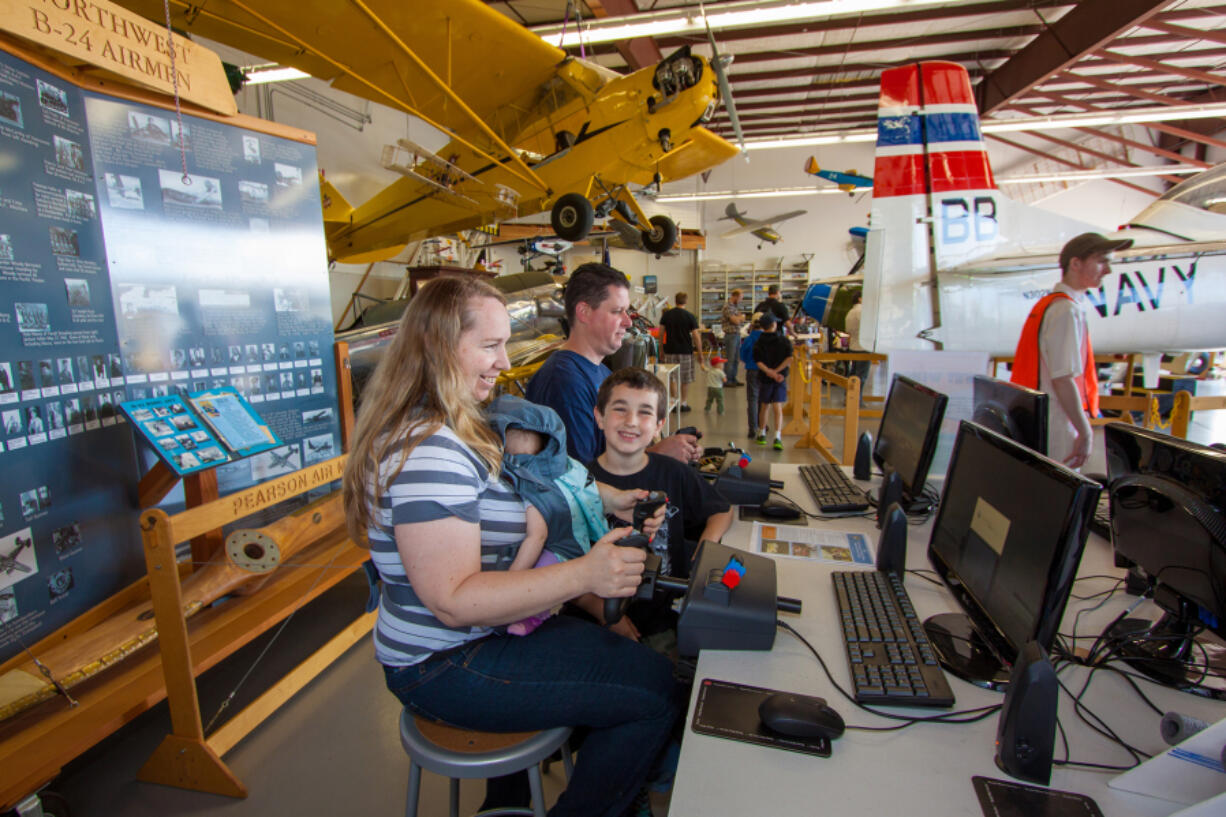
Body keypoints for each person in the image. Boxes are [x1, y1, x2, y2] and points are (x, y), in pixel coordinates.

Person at [342, 276, 678, 817]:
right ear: (439, 346)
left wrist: (610, 498)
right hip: (445, 662)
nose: (503, 362)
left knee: (629, 662)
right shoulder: (429, 451)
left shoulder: (457, 423)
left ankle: (516, 797)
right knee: (654, 693)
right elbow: (453, 600)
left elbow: (529, 480)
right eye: (490, 346)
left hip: (480, 637)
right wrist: (585, 576)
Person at [586, 367, 733, 641]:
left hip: (664, 619)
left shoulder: (674, 472)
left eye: (644, 412)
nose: (631, 421)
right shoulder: (579, 481)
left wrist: (705, 548)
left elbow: (721, 510)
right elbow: (560, 560)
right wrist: (602, 612)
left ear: (658, 425)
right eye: (620, 409)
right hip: (595, 623)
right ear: (599, 417)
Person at [526, 262, 700, 464]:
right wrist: (656, 455)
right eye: (617, 311)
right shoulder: (564, 383)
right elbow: (582, 481)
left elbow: (612, 452)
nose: (628, 322)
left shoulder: (601, 372)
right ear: (584, 312)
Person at [486, 395, 611, 636]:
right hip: (567, 539)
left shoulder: (532, 488)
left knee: (543, 570)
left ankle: (534, 616)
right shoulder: (565, 468)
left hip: (562, 547)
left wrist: (513, 581)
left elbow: (537, 536)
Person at [1010, 232, 1131, 469]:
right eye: (1102, 261)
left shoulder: (1051, 305)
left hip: (1043, 417)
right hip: (1057, 423)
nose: (1108, 270)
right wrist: (1086, 432)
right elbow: (1063, 378)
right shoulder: (1066, 310)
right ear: (1075, 263)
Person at [753, 312, 793, 450]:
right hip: (780, 378)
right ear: (774, 325)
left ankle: (762, 433)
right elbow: (789, 358)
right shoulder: (783, 340)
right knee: (778, 407)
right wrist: (777, 371)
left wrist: (769, 371)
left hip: (765, 378)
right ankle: (777, 436)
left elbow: (758, 361)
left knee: (764, 405)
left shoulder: (759, 342)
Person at [657, 291, 701, 412]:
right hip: (685, 351)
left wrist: (660, 350)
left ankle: (674, 402)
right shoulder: (689, 316)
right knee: (685, 378)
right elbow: (696, 336)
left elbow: (661, 334)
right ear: (685, 301)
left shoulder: (667, 315)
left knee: (673, 377)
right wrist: (700, 354)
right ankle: (684, 403)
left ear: (675, 301)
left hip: (670, 350)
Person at [739, 315, 766, 439]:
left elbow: (742, 355)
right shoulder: (767, 339)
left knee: (752, 399)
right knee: (764, 399)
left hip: (752, 370)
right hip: (765, 371)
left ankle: (752, 428)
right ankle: (763, 425)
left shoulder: (748, 340)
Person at [844, 292, 870, 395]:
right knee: (861, 376)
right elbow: (868, 326)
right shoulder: (861, 311)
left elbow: (847, 330)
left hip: (853, 346)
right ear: (860, 299)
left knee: (853, 375)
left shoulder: (850, 311)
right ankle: (856, 400)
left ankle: (849, 397)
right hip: (863, 347)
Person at [719, 288, 745, 386]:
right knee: (730, 358)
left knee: (736, 358)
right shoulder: (728, 307)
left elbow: (739, 317)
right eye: (740, 298)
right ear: (735, 296)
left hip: (737, 334)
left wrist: (740, 318)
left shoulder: (734, 307)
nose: (740, 300)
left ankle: (733, 378)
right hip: (731, 335)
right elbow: (736, 320)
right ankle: (727, 380)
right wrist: (741, 318)